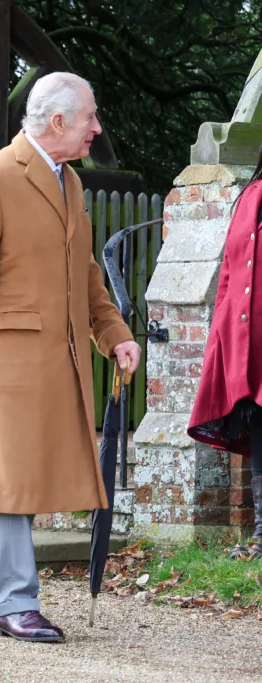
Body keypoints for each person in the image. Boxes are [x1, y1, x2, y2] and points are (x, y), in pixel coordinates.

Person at [0, 72, 141, 642]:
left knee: (16, 480)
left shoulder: (69, 183)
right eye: (90, 118)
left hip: (58, 361)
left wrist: (113, 332)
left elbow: (86, 275)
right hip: (2, 362)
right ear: (57, 122)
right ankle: (14, 602)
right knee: (9, 481)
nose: (96, 129)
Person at [188, 145, 262, 560]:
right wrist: (221, 331)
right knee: (260, 427)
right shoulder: (251, 195)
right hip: (246, 339)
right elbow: (231, 275)